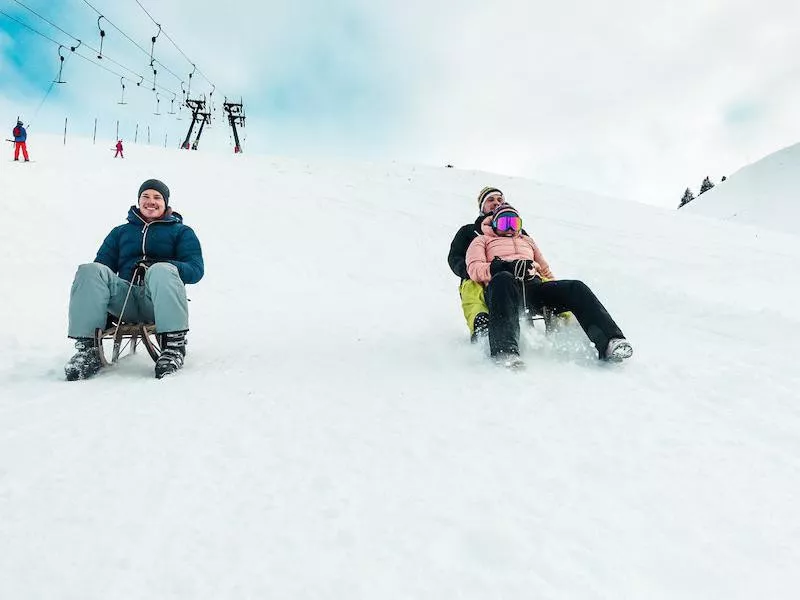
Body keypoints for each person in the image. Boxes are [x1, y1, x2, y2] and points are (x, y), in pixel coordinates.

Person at [64, 179, 204, 380]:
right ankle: (87, 350)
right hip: (125, 300)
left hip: (158, 301)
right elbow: (102, 271)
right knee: (90, 271)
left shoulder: (181, 232)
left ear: (166, 203)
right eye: (145, 196)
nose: (151, 201)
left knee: (162, 270)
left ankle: (174, 346)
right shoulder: (120, 232)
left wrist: (161, 265)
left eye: (157, 197)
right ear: (138, 201)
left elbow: (196, 271)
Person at [465, 203, 633, 365]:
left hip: (533, 287)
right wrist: (505, 266)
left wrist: (557, 291)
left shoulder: (527, 241)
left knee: (575, 287)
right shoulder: (482, 241)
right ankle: (505, 351)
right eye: (504, 222)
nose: (510, 227)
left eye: (514, 223)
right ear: (494, 224)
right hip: (503, 289)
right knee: (503, 279)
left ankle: (610, 341)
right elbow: (474, 269)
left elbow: (544, 269)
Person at [447, 187, 509, 341]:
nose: (496, 203)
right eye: (491, 200)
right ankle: (480, 324)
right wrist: (470, 272)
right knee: (471, 287)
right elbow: (455, 257)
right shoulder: (469, 231)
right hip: (477, 276)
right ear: (482, 207)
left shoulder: (513, 229)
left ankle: (566, 317)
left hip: (509, 275)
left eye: (500, 200)